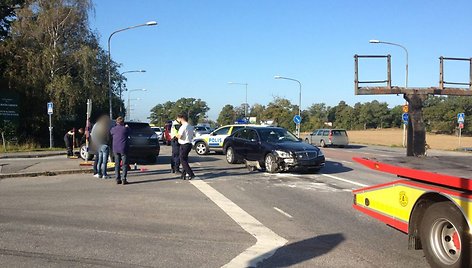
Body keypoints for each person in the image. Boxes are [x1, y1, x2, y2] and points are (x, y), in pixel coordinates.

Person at [110, 116, 130, 185]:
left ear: (116, 122)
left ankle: (117, 179)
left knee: (117, 164)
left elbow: (111, 134)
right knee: (124, 164)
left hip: (115, 148)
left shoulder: (113, 129)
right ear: (123, 122)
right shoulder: (125, 129)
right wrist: (127, 127)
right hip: (123, 148)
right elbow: (130, 132)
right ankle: (124, 179)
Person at [176, 113, 196, 180]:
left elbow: (180, 136)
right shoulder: (190, 126)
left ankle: (191, 174)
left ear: (181, 118)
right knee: (185, 160)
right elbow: (192, 135)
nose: (178, 120)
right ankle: (183, 174)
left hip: (184, 144)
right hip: (189, 144)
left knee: (183, 160)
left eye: (178, 118)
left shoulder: (183, 126)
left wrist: (176, 135)